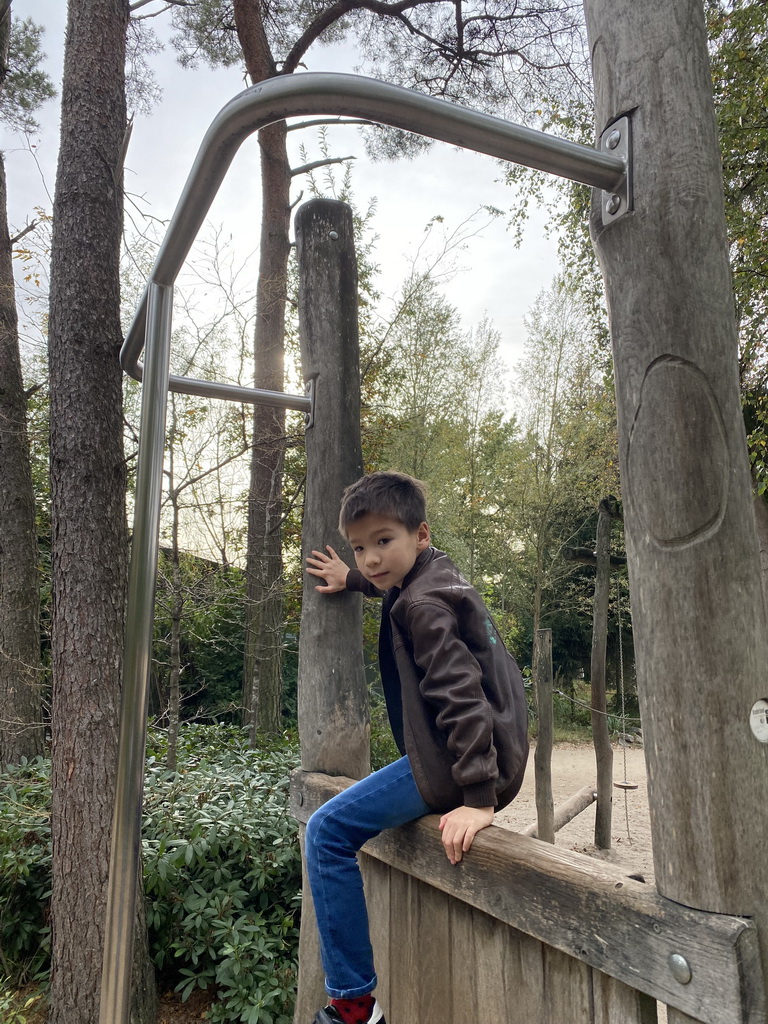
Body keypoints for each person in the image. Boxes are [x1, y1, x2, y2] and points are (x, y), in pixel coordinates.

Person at [303, 471, 529, 1024]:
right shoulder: (434, 574)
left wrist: (479, 799)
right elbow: (388, 579)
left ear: (420, 534)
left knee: (327, 833)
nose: (372, 559)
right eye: (361, 547)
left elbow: (462, 699)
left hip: (462, 763)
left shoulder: (424, 608)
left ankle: (354, 1005)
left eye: (383, 541)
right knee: (336, 824)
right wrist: (351, 578)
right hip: (476, 752)